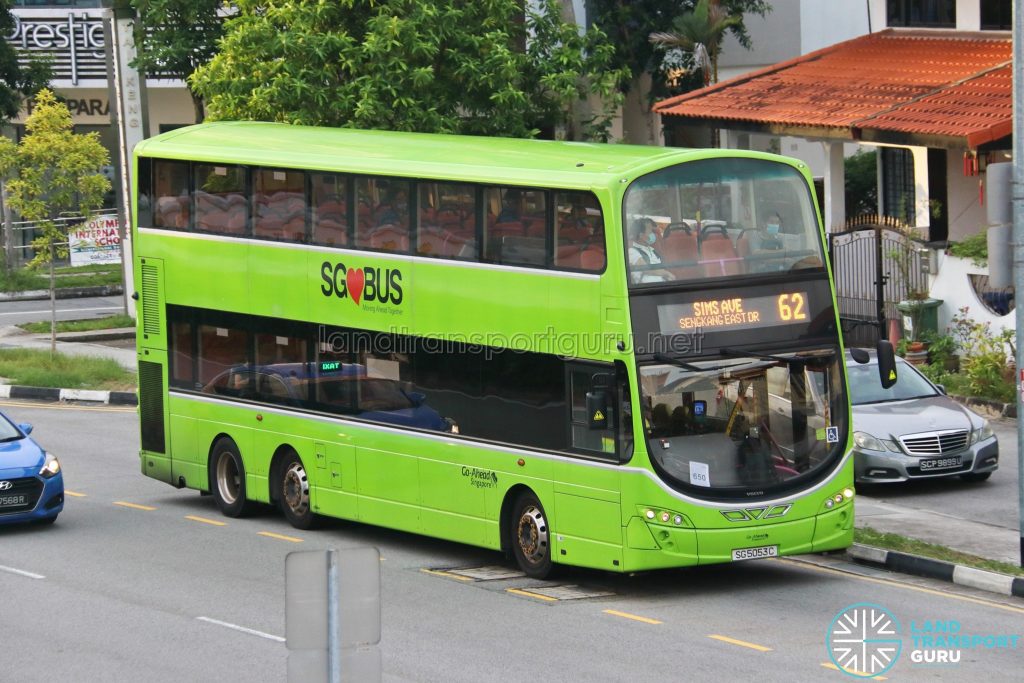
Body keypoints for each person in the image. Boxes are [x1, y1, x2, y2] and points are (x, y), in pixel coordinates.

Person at [628, 217, 673, 284]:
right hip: (648, 289)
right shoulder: (632, 251)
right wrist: (666, 273)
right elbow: (646, 269)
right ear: (641, 235)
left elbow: (660, 268)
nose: (654, 235)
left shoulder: (652, 250)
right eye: (651, 232)